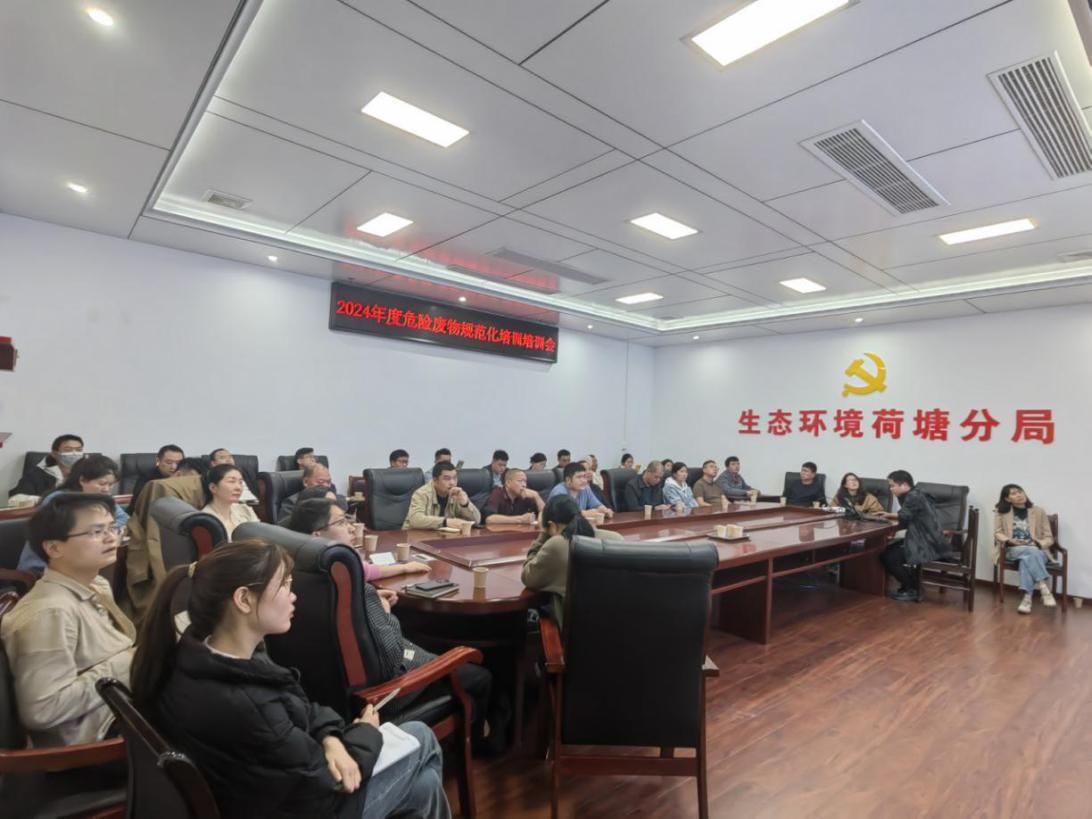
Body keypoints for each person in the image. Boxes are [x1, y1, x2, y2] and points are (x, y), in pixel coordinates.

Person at [130, 540, 451, 819]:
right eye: (284, 585)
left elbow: (301, 708)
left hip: (264, 793)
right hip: (299, 808)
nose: (293, 595)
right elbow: (324, 787)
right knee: (420, 736)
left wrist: (330, 738)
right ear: (244, 599)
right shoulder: (249, 703)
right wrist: (365, 733)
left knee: (423, 787)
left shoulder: (199, 651)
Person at [1, 493, 136, 747]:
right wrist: (128, 662)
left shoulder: (95, 583)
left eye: (112, 528)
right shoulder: (49, 613)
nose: (111, 538)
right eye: (96, 532)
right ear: (53, 548)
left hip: (122, 708)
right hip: (98, 738)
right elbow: (42, 710)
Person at [522, 495, 621, 629]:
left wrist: (543, 533)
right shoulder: (616, 539)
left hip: (575, 635)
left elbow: (528, 577)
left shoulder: (557, 545)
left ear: (551, 525)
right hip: (616, 630)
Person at [17, 455, 129, 574]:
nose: (107, 489)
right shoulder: (59, 500)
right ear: (82, 480)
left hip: (76, 562)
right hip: (43, 567)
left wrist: (111, 529)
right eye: (102, 483)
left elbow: (124, 518)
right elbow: (67, 537)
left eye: (111, 485)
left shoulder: (100, 498)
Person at [287, 498, 430, 579]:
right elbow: (364, 570)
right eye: (341, 523)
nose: (351, 528)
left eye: (347, 520)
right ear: (317, 535)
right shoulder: (337, 563)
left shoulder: (296, 555)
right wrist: (405, 568)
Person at [882, 470, 951, 602]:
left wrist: (888, 517)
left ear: (904, 485)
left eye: (892, 486)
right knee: (888, 551)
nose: (890, 489)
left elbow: (904, 517)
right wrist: (890, 516)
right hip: (926, 539)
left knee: (889, 557)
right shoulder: (916, 493)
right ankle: (912, 586)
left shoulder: (913, 496)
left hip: (926, 543)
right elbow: (908, 516)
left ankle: (912, 589)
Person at [994, 484, 1057, 614]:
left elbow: (1049, 538)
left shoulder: (1038, 511)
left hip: (1037, 550)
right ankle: (1044, 588)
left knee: (1027, 559)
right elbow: (997, 532)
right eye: (1013, 493)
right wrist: (1009, 540)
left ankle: (1027, 599)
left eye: (1020, 491)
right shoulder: (1002, 512)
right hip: (1013, 549)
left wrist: (1038, 544)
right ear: (1007, 498)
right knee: (1030, 552)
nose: (1019, 495)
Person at [8, 434, 85, 506]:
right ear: (54, 454)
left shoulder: (87, 473)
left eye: (79, 450)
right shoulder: (37, 474)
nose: (74, 454)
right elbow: (14, 500)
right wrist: (46, 499)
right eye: (68, 450)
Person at [403, 461, 481, 530]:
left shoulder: (457, 494)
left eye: (454, 478)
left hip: (441, 536)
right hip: (413, 536)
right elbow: (415, 519)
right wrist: (445, 522)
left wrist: (465, 504)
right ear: (435, 480)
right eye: (447, 479)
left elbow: (477, 520)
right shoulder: (422, 493)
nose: (452, 483)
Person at [201, 463, 259, 536]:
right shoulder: (207, 519)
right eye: (232, 481)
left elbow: (260, 535)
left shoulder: (245, 509)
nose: (238, 488)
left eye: (240, 482)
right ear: (213, 488)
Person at [127, 444, 185, 513]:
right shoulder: (147, 477)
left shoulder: (184, 476)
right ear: (158, 461)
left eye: (178, 463)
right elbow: (144, 502)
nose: (174, 467)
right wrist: (170, 482)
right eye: (169, 462)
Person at [547, 462, 612, 520]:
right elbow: (565, 515)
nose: (584, 480)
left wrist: (605, 510)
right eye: (579, 477)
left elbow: (597, 505)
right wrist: (586, 513)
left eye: (584, 477)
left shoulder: (585, 488)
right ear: (568, 480)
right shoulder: (559, 492)